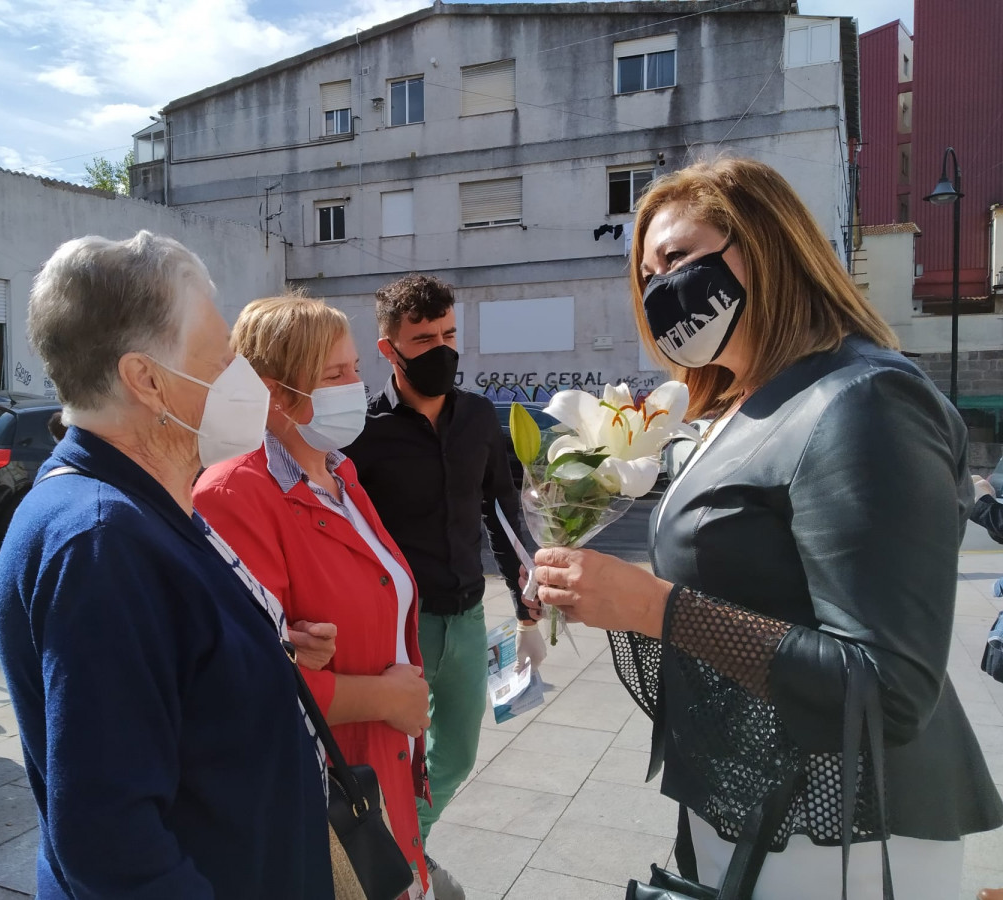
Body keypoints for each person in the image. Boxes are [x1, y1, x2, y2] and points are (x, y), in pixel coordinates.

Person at [529, 158, 1003, 899]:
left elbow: (889, 687)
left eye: (678, 258)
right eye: (647, 275)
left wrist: (653, 607)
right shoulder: (738, 404)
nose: (660, 289)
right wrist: (602, 593)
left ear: (767, 244)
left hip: (841, 830)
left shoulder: (863, 398)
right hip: (752, 800)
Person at [0, 233, 333, 899]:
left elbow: (167, 671)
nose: (240, 376)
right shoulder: (101, 542)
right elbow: (113, 845)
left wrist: (258, 650)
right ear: (146, 380)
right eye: (223, 357)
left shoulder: (138, 507)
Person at [193, 295, 434, 898]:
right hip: (323, 792)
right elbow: (248, 683)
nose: (356, 386)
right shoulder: (233, 494)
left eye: (355, 369)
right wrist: (387, 698)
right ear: (273, 394)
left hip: (381, 766)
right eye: (334, 375)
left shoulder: (340, 473)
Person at [344, 274, 543, 900]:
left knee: (455, 755)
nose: (442, 349)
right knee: (389, 761)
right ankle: (400, 868)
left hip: (468, 619)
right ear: (389, 349)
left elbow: (501, 510)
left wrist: (527, 596)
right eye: (424, 339)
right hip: (396, 631)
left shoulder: (478, 417)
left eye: (449, 335)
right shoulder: (362, 430)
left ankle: (401, 852)